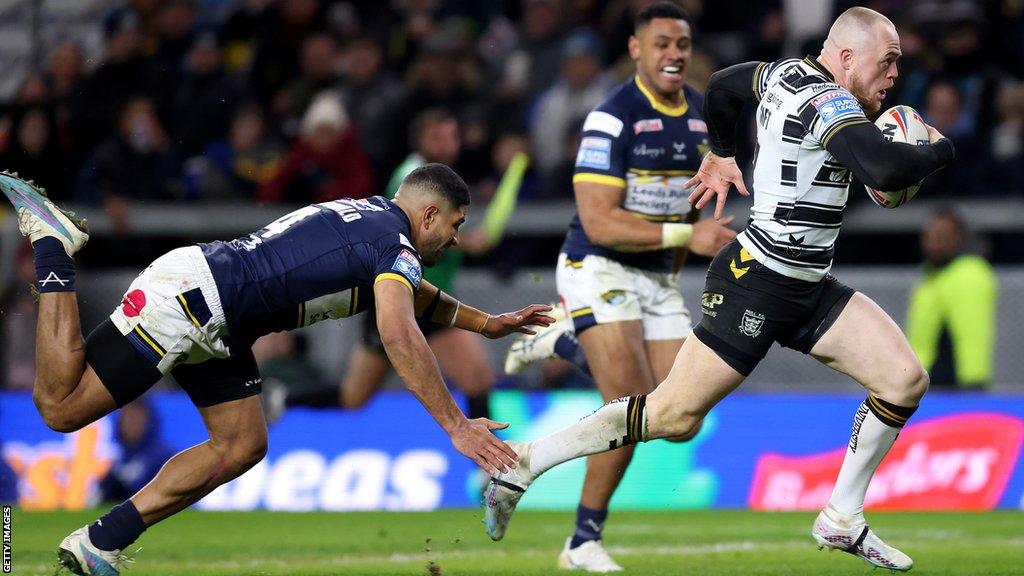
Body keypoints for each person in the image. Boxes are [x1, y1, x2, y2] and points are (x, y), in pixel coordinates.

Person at [484, 7, 956, 573]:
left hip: (807, 283)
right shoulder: (825, 101)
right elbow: (882, 169)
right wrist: (940, 151)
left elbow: (724, 85)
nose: (894, 76)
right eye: (888, 62)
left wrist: (724, 150)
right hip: (757, 283)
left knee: (904, 380)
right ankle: (523, 463)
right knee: (673, 417)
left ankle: (842, 517)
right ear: (847, 58)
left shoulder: (784, 75)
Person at [0, 164, 551, 576]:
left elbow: (420, 296)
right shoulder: (393, 243)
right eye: (455, 225)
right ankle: (54, 246)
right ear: (428, 214)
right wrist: (456, 425)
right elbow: (399, 331)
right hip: (191, 300)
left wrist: (486, 323)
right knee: (60, 407)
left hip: (222, 317)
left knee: (242, 442)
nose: (456, 238)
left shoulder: (378, 226)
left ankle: (100, 543)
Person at [503, 3, 736, 571]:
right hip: (598, 265)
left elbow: (707, 192)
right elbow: (601, 221)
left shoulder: (707, 119)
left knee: (680, 419)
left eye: (681, 43)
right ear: (636, 49)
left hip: (658, 278)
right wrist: (687, 232)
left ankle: (562, 342)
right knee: (627, 404)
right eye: (660, 43)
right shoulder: (612, 118)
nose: (673, 53)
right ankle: (583, 541)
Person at [906, 209, 997, 389]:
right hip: (926, 382)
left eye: (942, 236)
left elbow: (969, 334)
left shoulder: (969, 272)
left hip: (961, 385)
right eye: (929, 236)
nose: (934, 242)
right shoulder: (931, 275)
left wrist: (972, 381)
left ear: (959, 238)